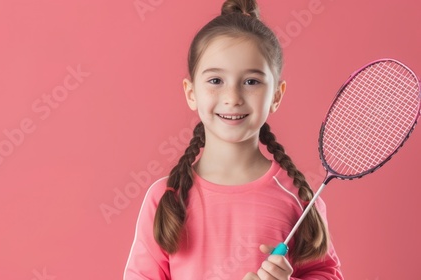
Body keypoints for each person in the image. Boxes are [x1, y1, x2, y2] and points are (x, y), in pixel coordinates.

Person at [124, 0, 344, 279]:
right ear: (191, 93)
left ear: (276, 95)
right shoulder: (166, 198)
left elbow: (326, 273)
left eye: (251, 82)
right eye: (216, 81)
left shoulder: (298, 199)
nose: (233, 98)